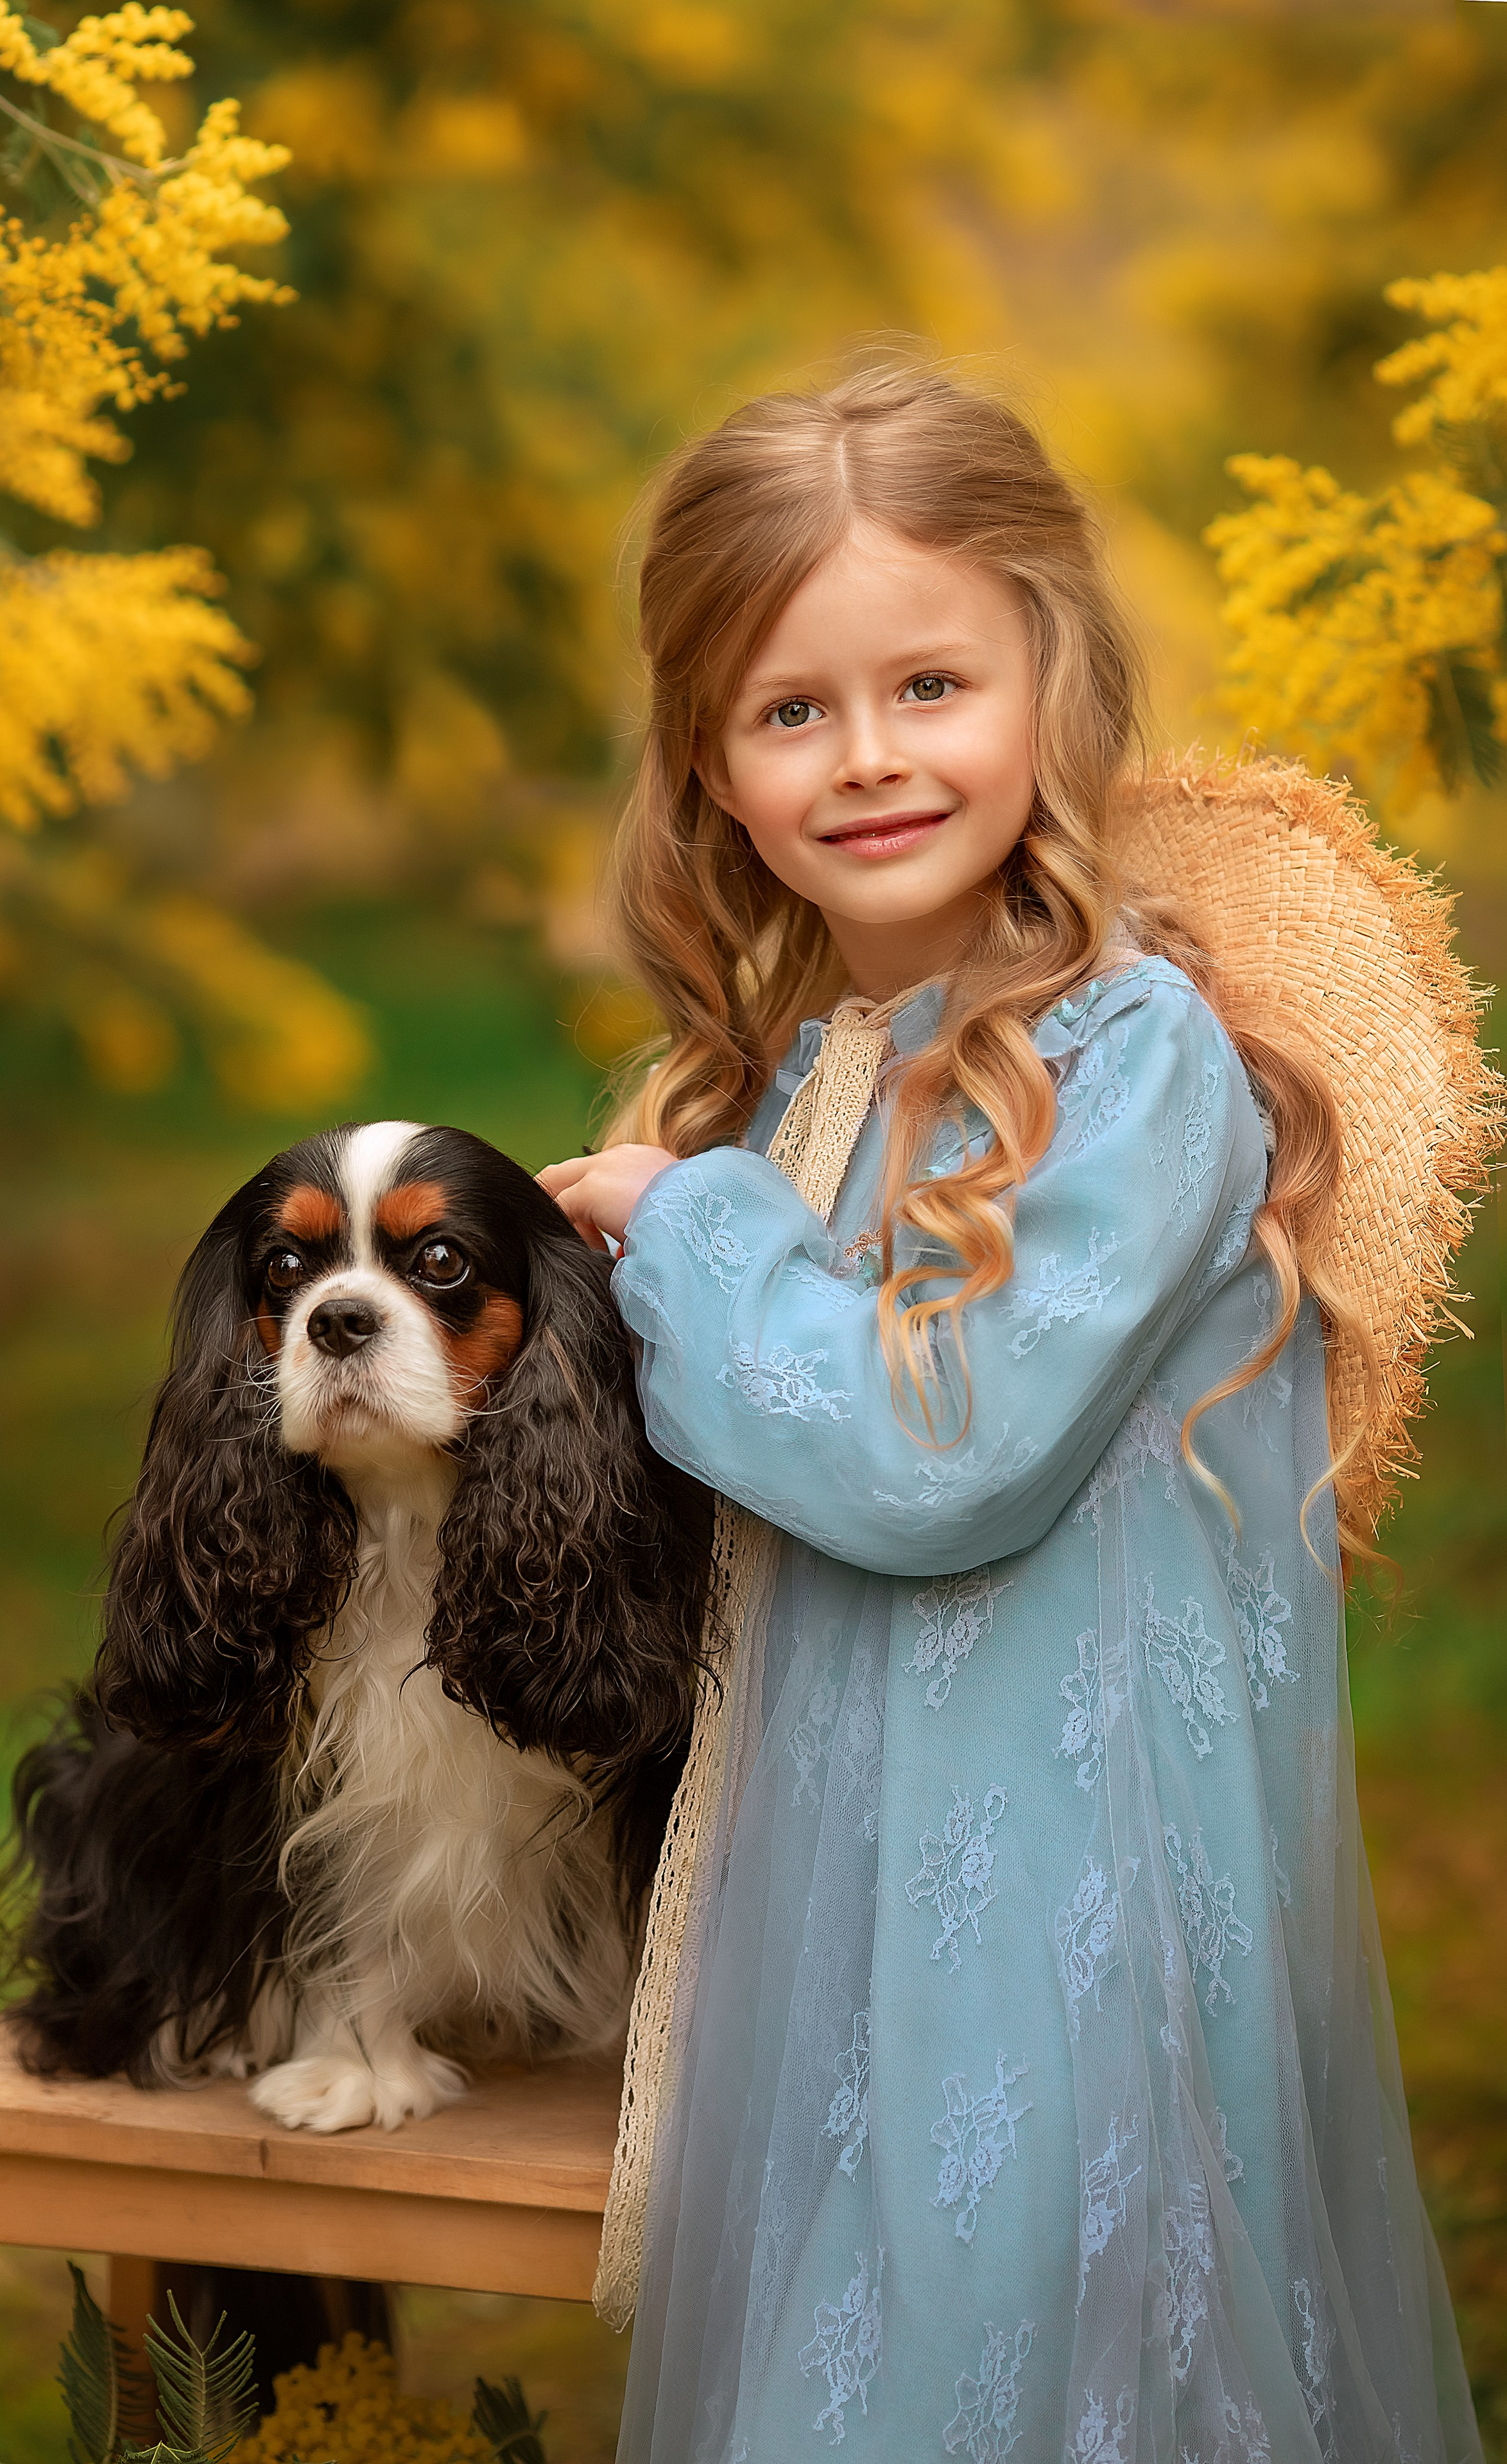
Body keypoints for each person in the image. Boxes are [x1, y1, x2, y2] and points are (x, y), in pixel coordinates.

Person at [539, 366, 1481, 2464]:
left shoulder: (1136, 1060)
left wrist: (692, 1230)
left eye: (931, 685)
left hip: (1068, 1907)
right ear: (708, 762)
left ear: (1051, 679)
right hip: (847, 1890)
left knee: (1017, 2358)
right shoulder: (813, 1074)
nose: (869, 756)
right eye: (792, 709)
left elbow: (938, 1453)